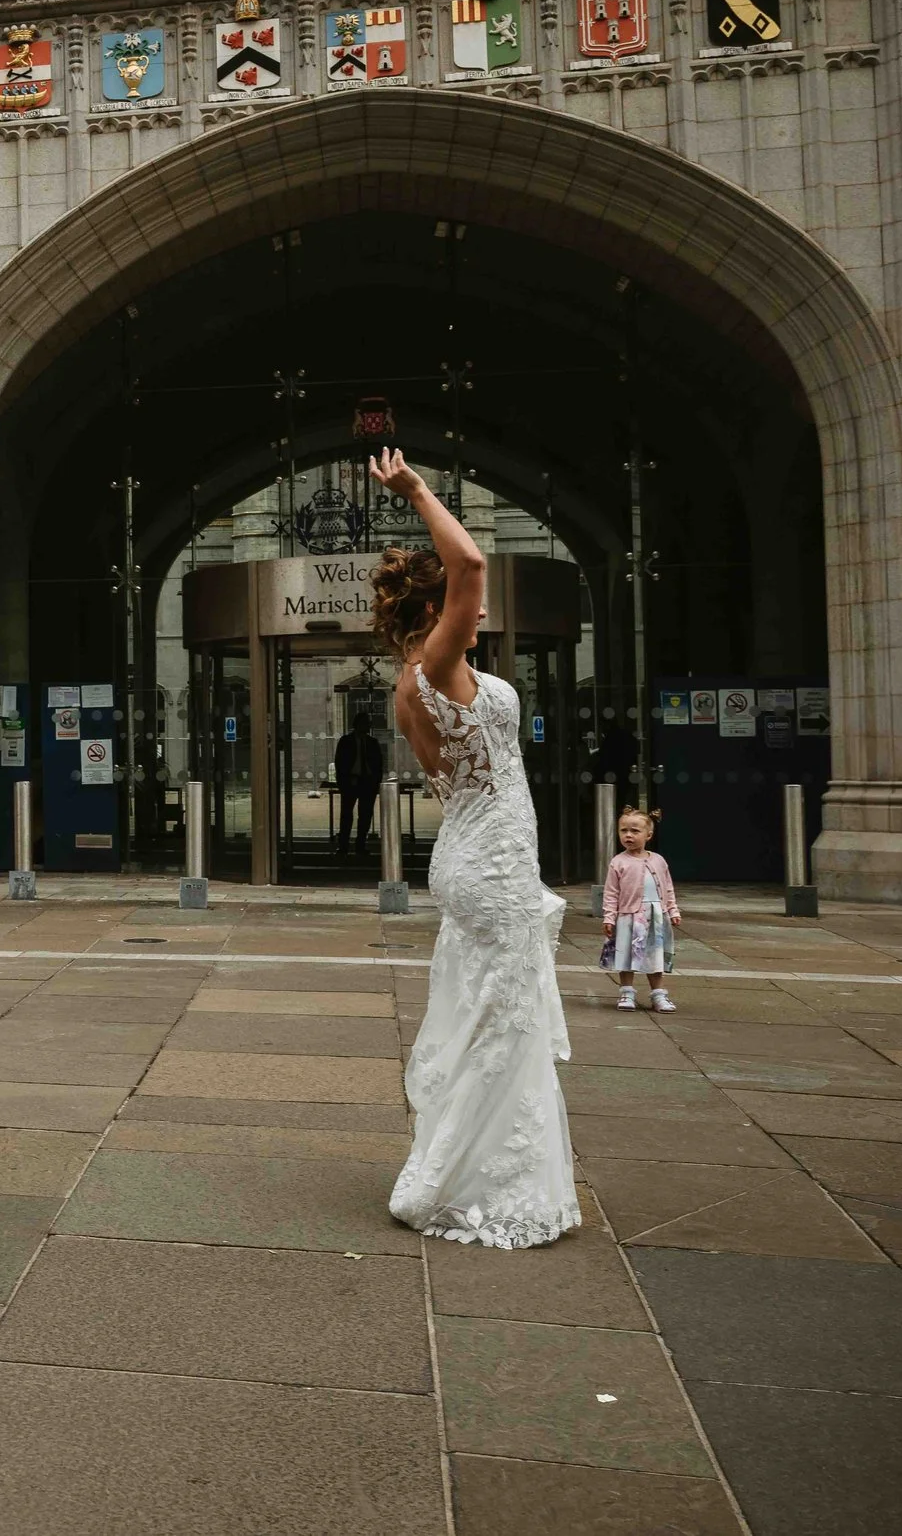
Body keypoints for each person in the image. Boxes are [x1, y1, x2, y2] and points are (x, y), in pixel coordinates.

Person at [370, 446, 578, 1251]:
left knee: (489, 1015)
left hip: (476, 851)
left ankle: (456, 1159)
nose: (480, 610)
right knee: (504, 1023)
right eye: (463, 606)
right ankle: (462, 1176)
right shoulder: (436, 666)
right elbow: (471, 560)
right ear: (436, 611)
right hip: (489, 860)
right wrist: (418, 488)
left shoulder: (408, 685)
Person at [602, 807, 683, 1013]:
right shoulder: (618, 862)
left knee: (654, 957)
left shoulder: (658, 860)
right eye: (624, 830)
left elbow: (668, 887)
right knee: (626, 955)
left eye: (635, 831)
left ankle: (658, 994)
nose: (628, 835)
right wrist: (609, 917)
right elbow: (611, 893)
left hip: (655, 916)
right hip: (629, 917)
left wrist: (672, 910)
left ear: (649, 834)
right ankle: (626, 992)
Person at [335, 715, 385, 858]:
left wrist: (376, 782)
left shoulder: (372, 742)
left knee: (365, 816)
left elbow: (378, 764)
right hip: (350, 782)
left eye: (368, 724)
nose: (367, 727)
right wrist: (343, 782)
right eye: (365, 724)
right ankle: (343, 846)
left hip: (367, 782)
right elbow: (340, 762)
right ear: (357, 725)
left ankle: (360, 845)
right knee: (346, 815)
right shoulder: (345, 741)